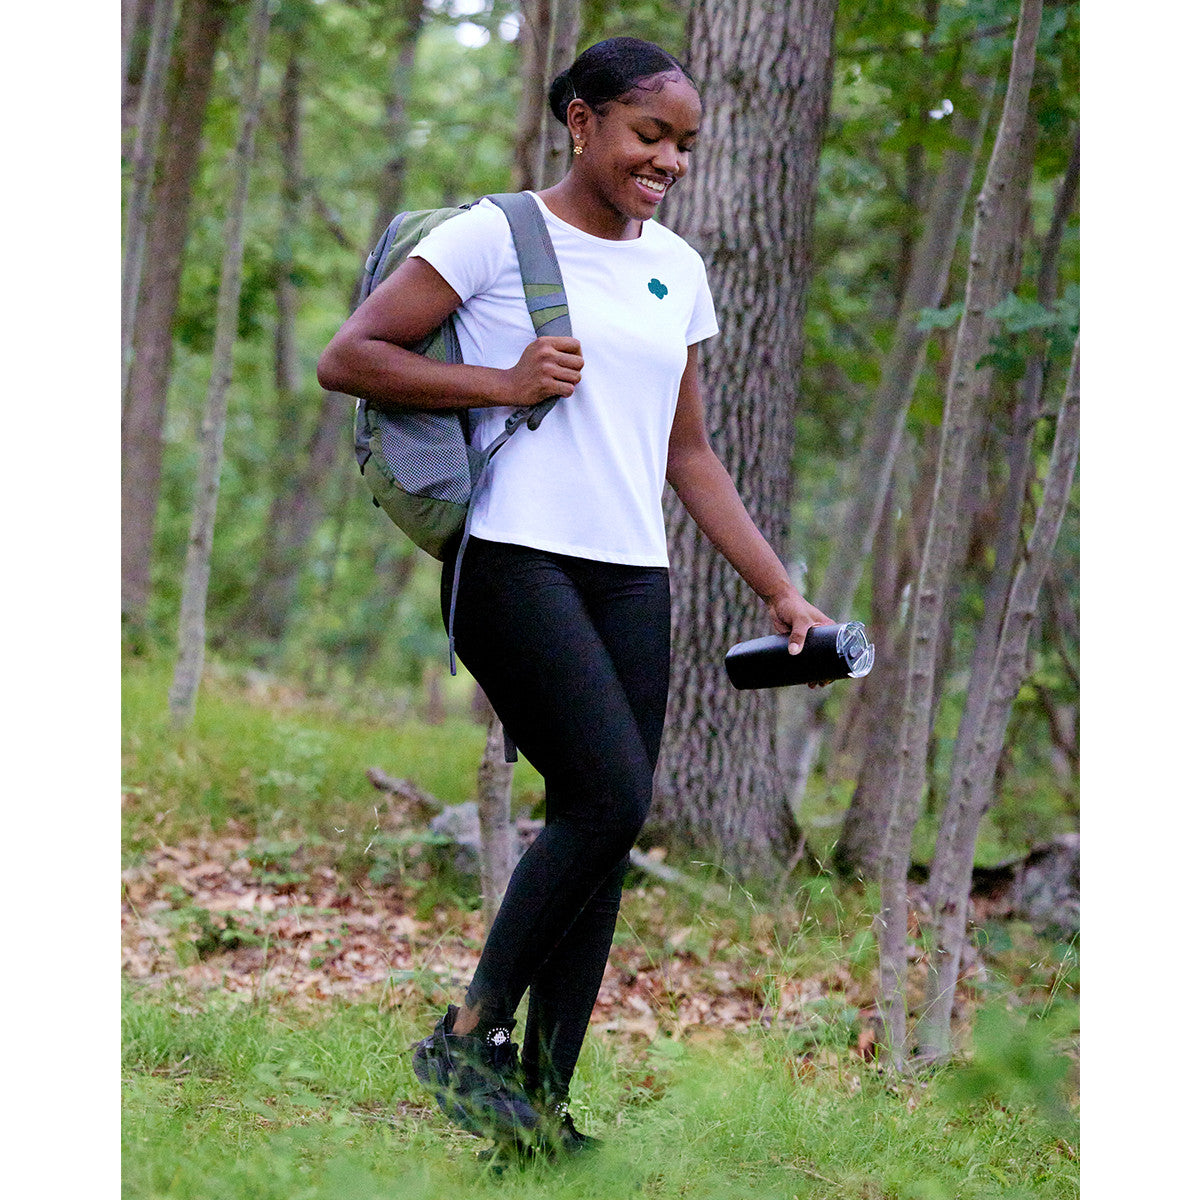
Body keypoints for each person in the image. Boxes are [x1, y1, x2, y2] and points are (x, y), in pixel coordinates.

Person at [316, 36, 832, 1161]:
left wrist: (783, 592)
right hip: (511, 557)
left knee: (600, 831)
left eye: (685, 145)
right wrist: (500, 382)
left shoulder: (677, 270)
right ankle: (465, 1038)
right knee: (609, 795)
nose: (670, 162)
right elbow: (350, 357)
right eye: (651, 135)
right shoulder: (492, 235)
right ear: (583, 121)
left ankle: (540, 1117)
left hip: (631, 572)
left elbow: (689, 454)